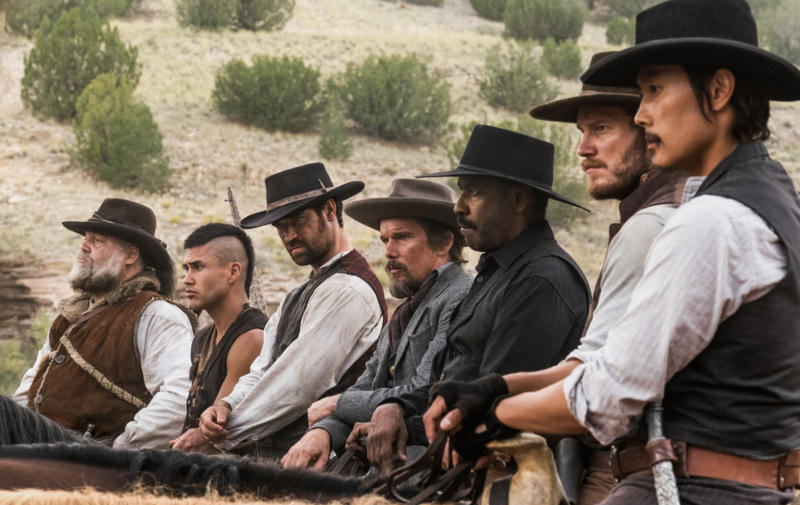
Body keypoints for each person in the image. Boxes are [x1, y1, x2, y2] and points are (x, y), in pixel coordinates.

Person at [426, 1, 800, 503]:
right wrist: (497, 389)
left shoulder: (712, 220)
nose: (643, 114)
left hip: (693, 489)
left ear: (718, 90)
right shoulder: (770, 200)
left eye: (653, 90)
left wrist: (493, 415)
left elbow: (610, 393)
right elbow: (608, 359)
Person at [494, 51, 684, 504]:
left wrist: (495, 403)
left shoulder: (650, 226)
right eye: (582, 132)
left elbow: (596, 373)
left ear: (649, 128)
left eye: (600, 129)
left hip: (635, 470)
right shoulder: (673, 215)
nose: (582, 149)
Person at [346, 125, 592, 475]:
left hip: (494, 473)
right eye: (461, 192)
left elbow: (495, 405)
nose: (459, 207)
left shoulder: (541, 279)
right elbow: (448, 380)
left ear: (520, 200)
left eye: (473, 193)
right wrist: (395, 407)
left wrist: (401, 427)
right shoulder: (497, 270)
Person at [197, 162, 387, 459]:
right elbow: (263, 369)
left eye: (298, 221)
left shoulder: (348, 290)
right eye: (281, 227)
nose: (289, 235)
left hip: (325, 458)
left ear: (329, 211)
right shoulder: (298, 295)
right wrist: (225, 406)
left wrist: (220, 435)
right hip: (276, 454)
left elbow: (298, 384)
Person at [281, 178, 472, 470]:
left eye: (402, 237)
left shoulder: (459, 298)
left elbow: (422, 391)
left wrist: (337, 403)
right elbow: (366, 385)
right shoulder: (406, 309)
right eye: (385, 240)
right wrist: (324, 432)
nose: (388, 251)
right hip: (381, 465)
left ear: (445, 242)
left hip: (422, 469)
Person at [13, 198, 194, 449]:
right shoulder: (71, 315)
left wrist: (116, 452)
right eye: (85, 239)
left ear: (131, 254)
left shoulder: (157, 315)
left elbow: (178, 399)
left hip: (101, 477)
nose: (84, 247)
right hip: (40, 461)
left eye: (97, 241)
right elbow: (30, 387)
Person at [170, 223, 268, 453]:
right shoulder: (203, 338)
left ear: (233, 272)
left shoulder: (251, 338)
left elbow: (213, 432)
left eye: (198, 267)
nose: (187, 279)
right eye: (186, 268)